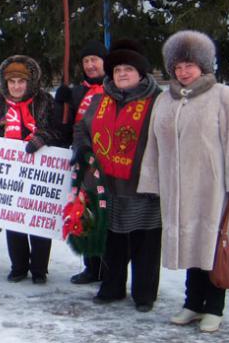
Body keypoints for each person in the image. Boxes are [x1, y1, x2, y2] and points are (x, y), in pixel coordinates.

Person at [138, 31, 229, 333]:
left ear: (204, 66)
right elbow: (152, 144)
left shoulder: (222, 95)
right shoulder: (164, 100)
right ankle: (193, 303)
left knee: (210, 245)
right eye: (178, 66)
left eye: (189, 65)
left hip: (211, 186)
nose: (183, 72)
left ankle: (214, 307)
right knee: (189, 245)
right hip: (175, 187)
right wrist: (151, 182)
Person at [73, 39, 161, 312]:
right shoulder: (99, 100)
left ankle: (144, 294)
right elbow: (81, 130)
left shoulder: (157, 101)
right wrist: (85, 153)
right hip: (106, 184)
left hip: (143, 185)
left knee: (145, 243)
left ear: (141, 73)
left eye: (129, 69)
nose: (122, 73)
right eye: (118, 69)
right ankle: (112, 286)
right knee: (112, 240)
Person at [0, 55, 61, 284]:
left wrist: (41, 138)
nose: (16, 86)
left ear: (30, 82)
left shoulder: (45, 101)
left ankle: (39, 269)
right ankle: (18, 266)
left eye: (21, 82)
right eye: (12, 82)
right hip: (10, 173)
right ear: (5, 84)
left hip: (39, 172)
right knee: (14, 221)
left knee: (38, 221)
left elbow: (57, 130)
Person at [55, 39, 108, 284]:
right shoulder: (79, 91)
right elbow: (64, 128)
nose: (90, 65)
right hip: (82, 160)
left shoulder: (113, 88)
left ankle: (109, 268)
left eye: (94, 60)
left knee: (107, 215)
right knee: (85, 212)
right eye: (86, 61)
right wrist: (61, 102)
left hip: (108, 160)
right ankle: (91, 266)